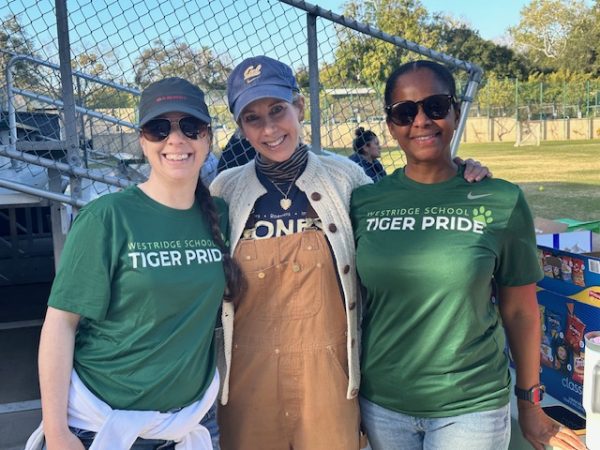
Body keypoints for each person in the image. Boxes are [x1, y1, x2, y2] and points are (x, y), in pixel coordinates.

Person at [209, 55, 490, 450]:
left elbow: (404, 208)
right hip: (246, 386)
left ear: (300, 106)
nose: (270, 128)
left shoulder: (346, 178)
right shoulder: (225, 189)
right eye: (253, 118)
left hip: (331, 382)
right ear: (240, 127)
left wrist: (455, 172)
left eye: (278, 110)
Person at [349, 60, 586, 450]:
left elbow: (522, 311)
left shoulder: (501, 200)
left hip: (470, 406)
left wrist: (529, 405)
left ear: (456, 112)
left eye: (435, 106)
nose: (421, 121)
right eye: (405, 112)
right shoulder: (363, 201)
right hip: (383, 405)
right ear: (391, 126)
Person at [28, 77, 242, 450]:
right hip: (99, 426)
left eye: (190, 127)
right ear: (143, 141)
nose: (176, 140)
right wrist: (57, 430)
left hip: (184, 424)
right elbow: (60, 323)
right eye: (159, 128)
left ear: (208, 138)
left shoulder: (219, 215)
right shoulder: (107, 217)